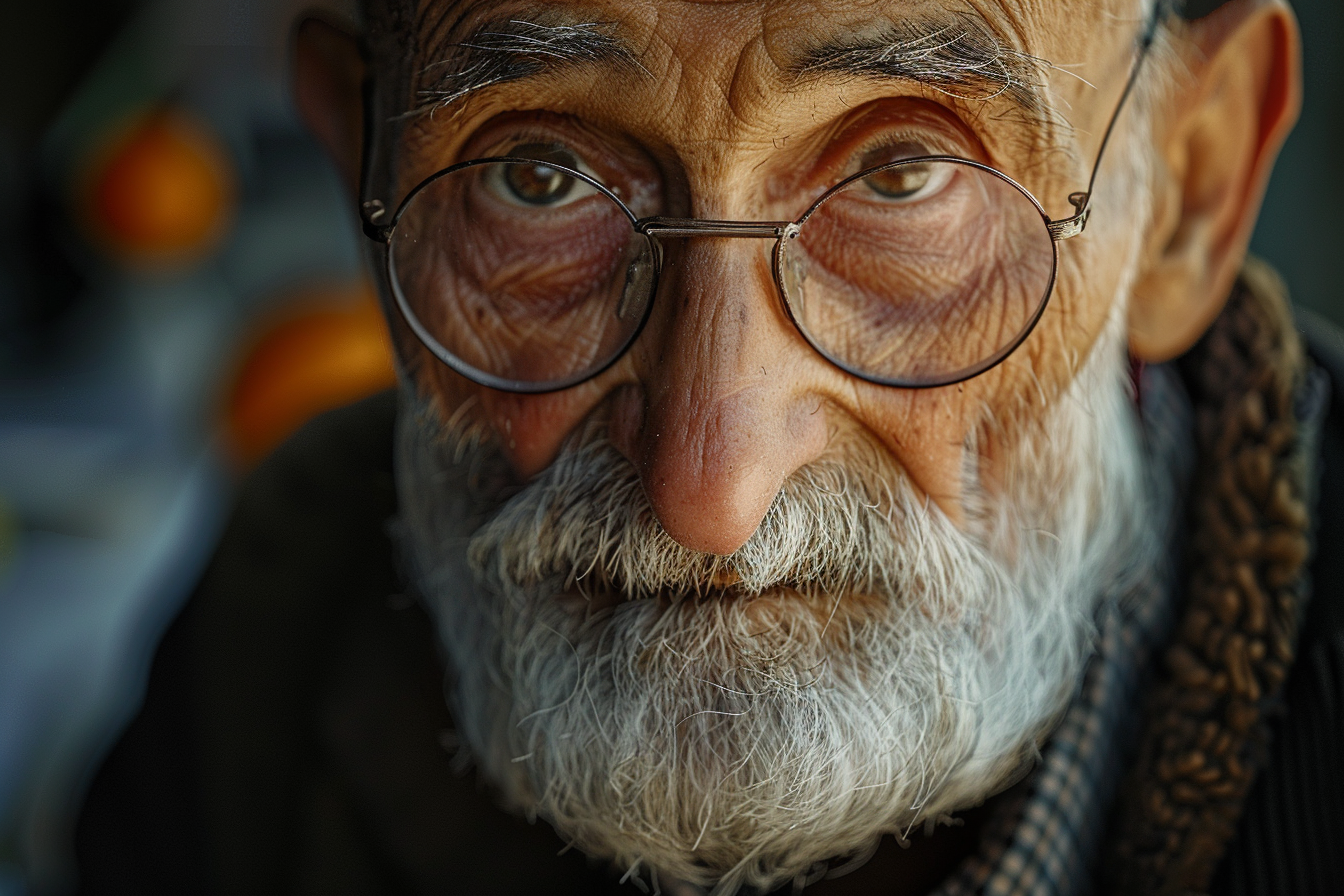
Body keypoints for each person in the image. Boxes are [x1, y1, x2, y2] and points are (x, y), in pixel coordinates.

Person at [75, 0, 1344, 893]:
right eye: (540, 175)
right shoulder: (279, 623)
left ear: (1184, 189)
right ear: (362, 162)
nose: (707, 491)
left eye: (902, 175)